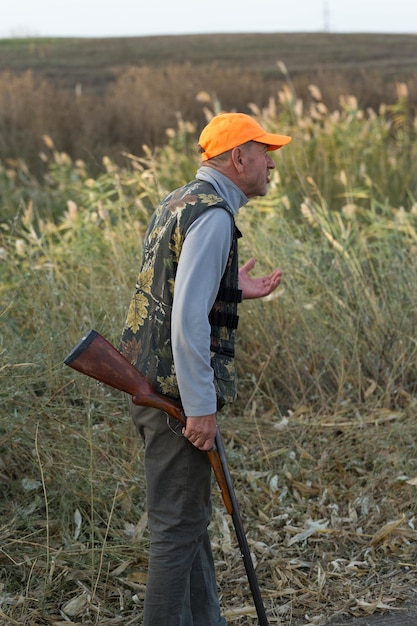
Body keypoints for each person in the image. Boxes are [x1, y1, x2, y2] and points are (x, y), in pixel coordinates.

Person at [119, 112, 292, 626]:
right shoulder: (214, 216)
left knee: (189, 523)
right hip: (175, 400)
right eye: (265, 152)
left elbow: (172, 290)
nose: (271, 163)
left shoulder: (180, 201)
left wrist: (230, 287)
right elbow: (186, 320)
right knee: (176, 530)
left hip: (155, 389)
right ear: (239, 158)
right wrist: (200, 409)